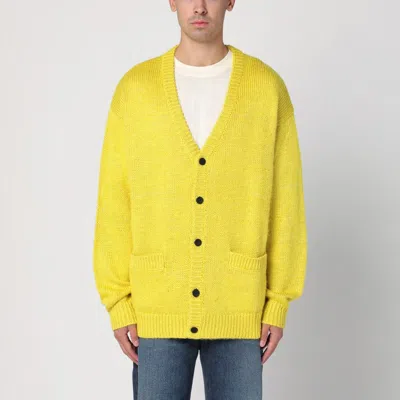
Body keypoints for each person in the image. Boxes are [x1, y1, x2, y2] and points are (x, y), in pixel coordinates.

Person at [92, 0, 308, 399]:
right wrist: (118, 302)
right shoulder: (136, 90)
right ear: (172, 2)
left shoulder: (266, 89)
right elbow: (115, 202)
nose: (200, 6)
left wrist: (278, 300)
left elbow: (286, 204)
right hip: (156, 306)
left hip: (240, 307)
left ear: (231, 2)